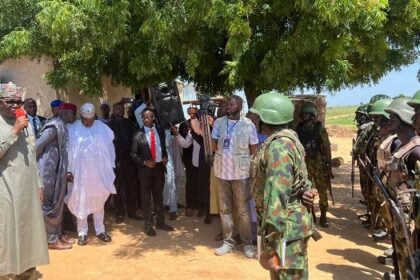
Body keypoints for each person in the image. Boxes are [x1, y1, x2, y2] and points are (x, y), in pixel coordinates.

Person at [249, 91, 316, 279]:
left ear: (268, 118)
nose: (255, 121)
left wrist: (269, 249)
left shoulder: (279, 147)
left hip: (285, 232)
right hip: (288, 229)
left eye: (258, 117)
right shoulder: (287, 140)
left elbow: (276, 201)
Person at [0, 83, 49, 278]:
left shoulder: (24, 120)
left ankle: (27, 270)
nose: (15, 105)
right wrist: (14, 131)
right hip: (7, 189)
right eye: (10, 101)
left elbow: (31, 153)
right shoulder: (13, 123)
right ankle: (7, 273)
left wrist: (38, 183)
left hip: (28, 189)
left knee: (29, 232)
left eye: (18, 101)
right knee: (8, 233)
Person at [211, 95, 259, 258]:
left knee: (242, 210)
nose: (228, 106)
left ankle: (247, 243)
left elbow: (254, 149)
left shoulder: (248, 124)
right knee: (225, 210)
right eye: (227, 104)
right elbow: (213, 144)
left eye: (232, 104)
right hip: (222, 172)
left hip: (240, 174)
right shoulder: (219, 123)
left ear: (240, 106)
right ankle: (228, 242)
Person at [66, 103, 116, 246]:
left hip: (98, 172)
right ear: (81, 116)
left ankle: (100, 230)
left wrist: (110, 167)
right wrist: (68, 170)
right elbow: (68, 152)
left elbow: (110, 148)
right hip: (79, 173)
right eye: (86, 119)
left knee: (99, 200)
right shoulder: (73, 129)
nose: (89, 122)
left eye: (91, 119)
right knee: (81, 200)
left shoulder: (102, 128)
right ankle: (82, 232)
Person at [383, 97, 420, 279]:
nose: (389, 122)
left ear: (404, 119)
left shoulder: (415, 151)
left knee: (409, 259)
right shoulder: (404, 147)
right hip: (399, 212)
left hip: (410, 218)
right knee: (402, 257)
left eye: (393, 118)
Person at [37, 103, 77, 250]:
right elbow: (36, 146)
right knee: (49, 204)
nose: (75, 117)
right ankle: (51, 239)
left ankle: (58, 234)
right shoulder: (53, 127)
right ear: (66, 113)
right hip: (48, 171)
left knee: (57, 204)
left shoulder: (62, 126)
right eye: (74, 114)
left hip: (57, 172)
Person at [131, 109, 174, 236]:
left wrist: (165, 156)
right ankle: (148, 225)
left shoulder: (160, 130)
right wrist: (144, 162)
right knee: (146, 198)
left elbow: (162, 147)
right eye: (143, 117)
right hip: (145, 170)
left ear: (153, 118)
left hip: (159, 168)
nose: (145, 119)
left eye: (148, 117)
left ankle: (160, 222)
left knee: (158, 196)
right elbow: (133, 154)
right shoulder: (138, 134)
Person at [296, 103, 333, 228]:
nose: (304, 116)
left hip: (319, 163)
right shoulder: (299, 129)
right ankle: (310, 213)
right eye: (303, 114)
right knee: (307, 189)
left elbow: (327, 147)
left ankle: (323, 215)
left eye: (306, 114)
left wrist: (329, 165)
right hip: (305, 164)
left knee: (322, 190)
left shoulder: (319, 128)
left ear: (312, 116)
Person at [107, 102, 142, 224]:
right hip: (116, 161)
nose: (120, 110)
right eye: (117, 108)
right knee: (118, 187)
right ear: (113, 110)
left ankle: (132, 212)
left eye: (121, 109)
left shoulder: (129, 123)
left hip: (130, 159)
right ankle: (119, 213)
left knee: (132, 186)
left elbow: (135, 138)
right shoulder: (109, 125)